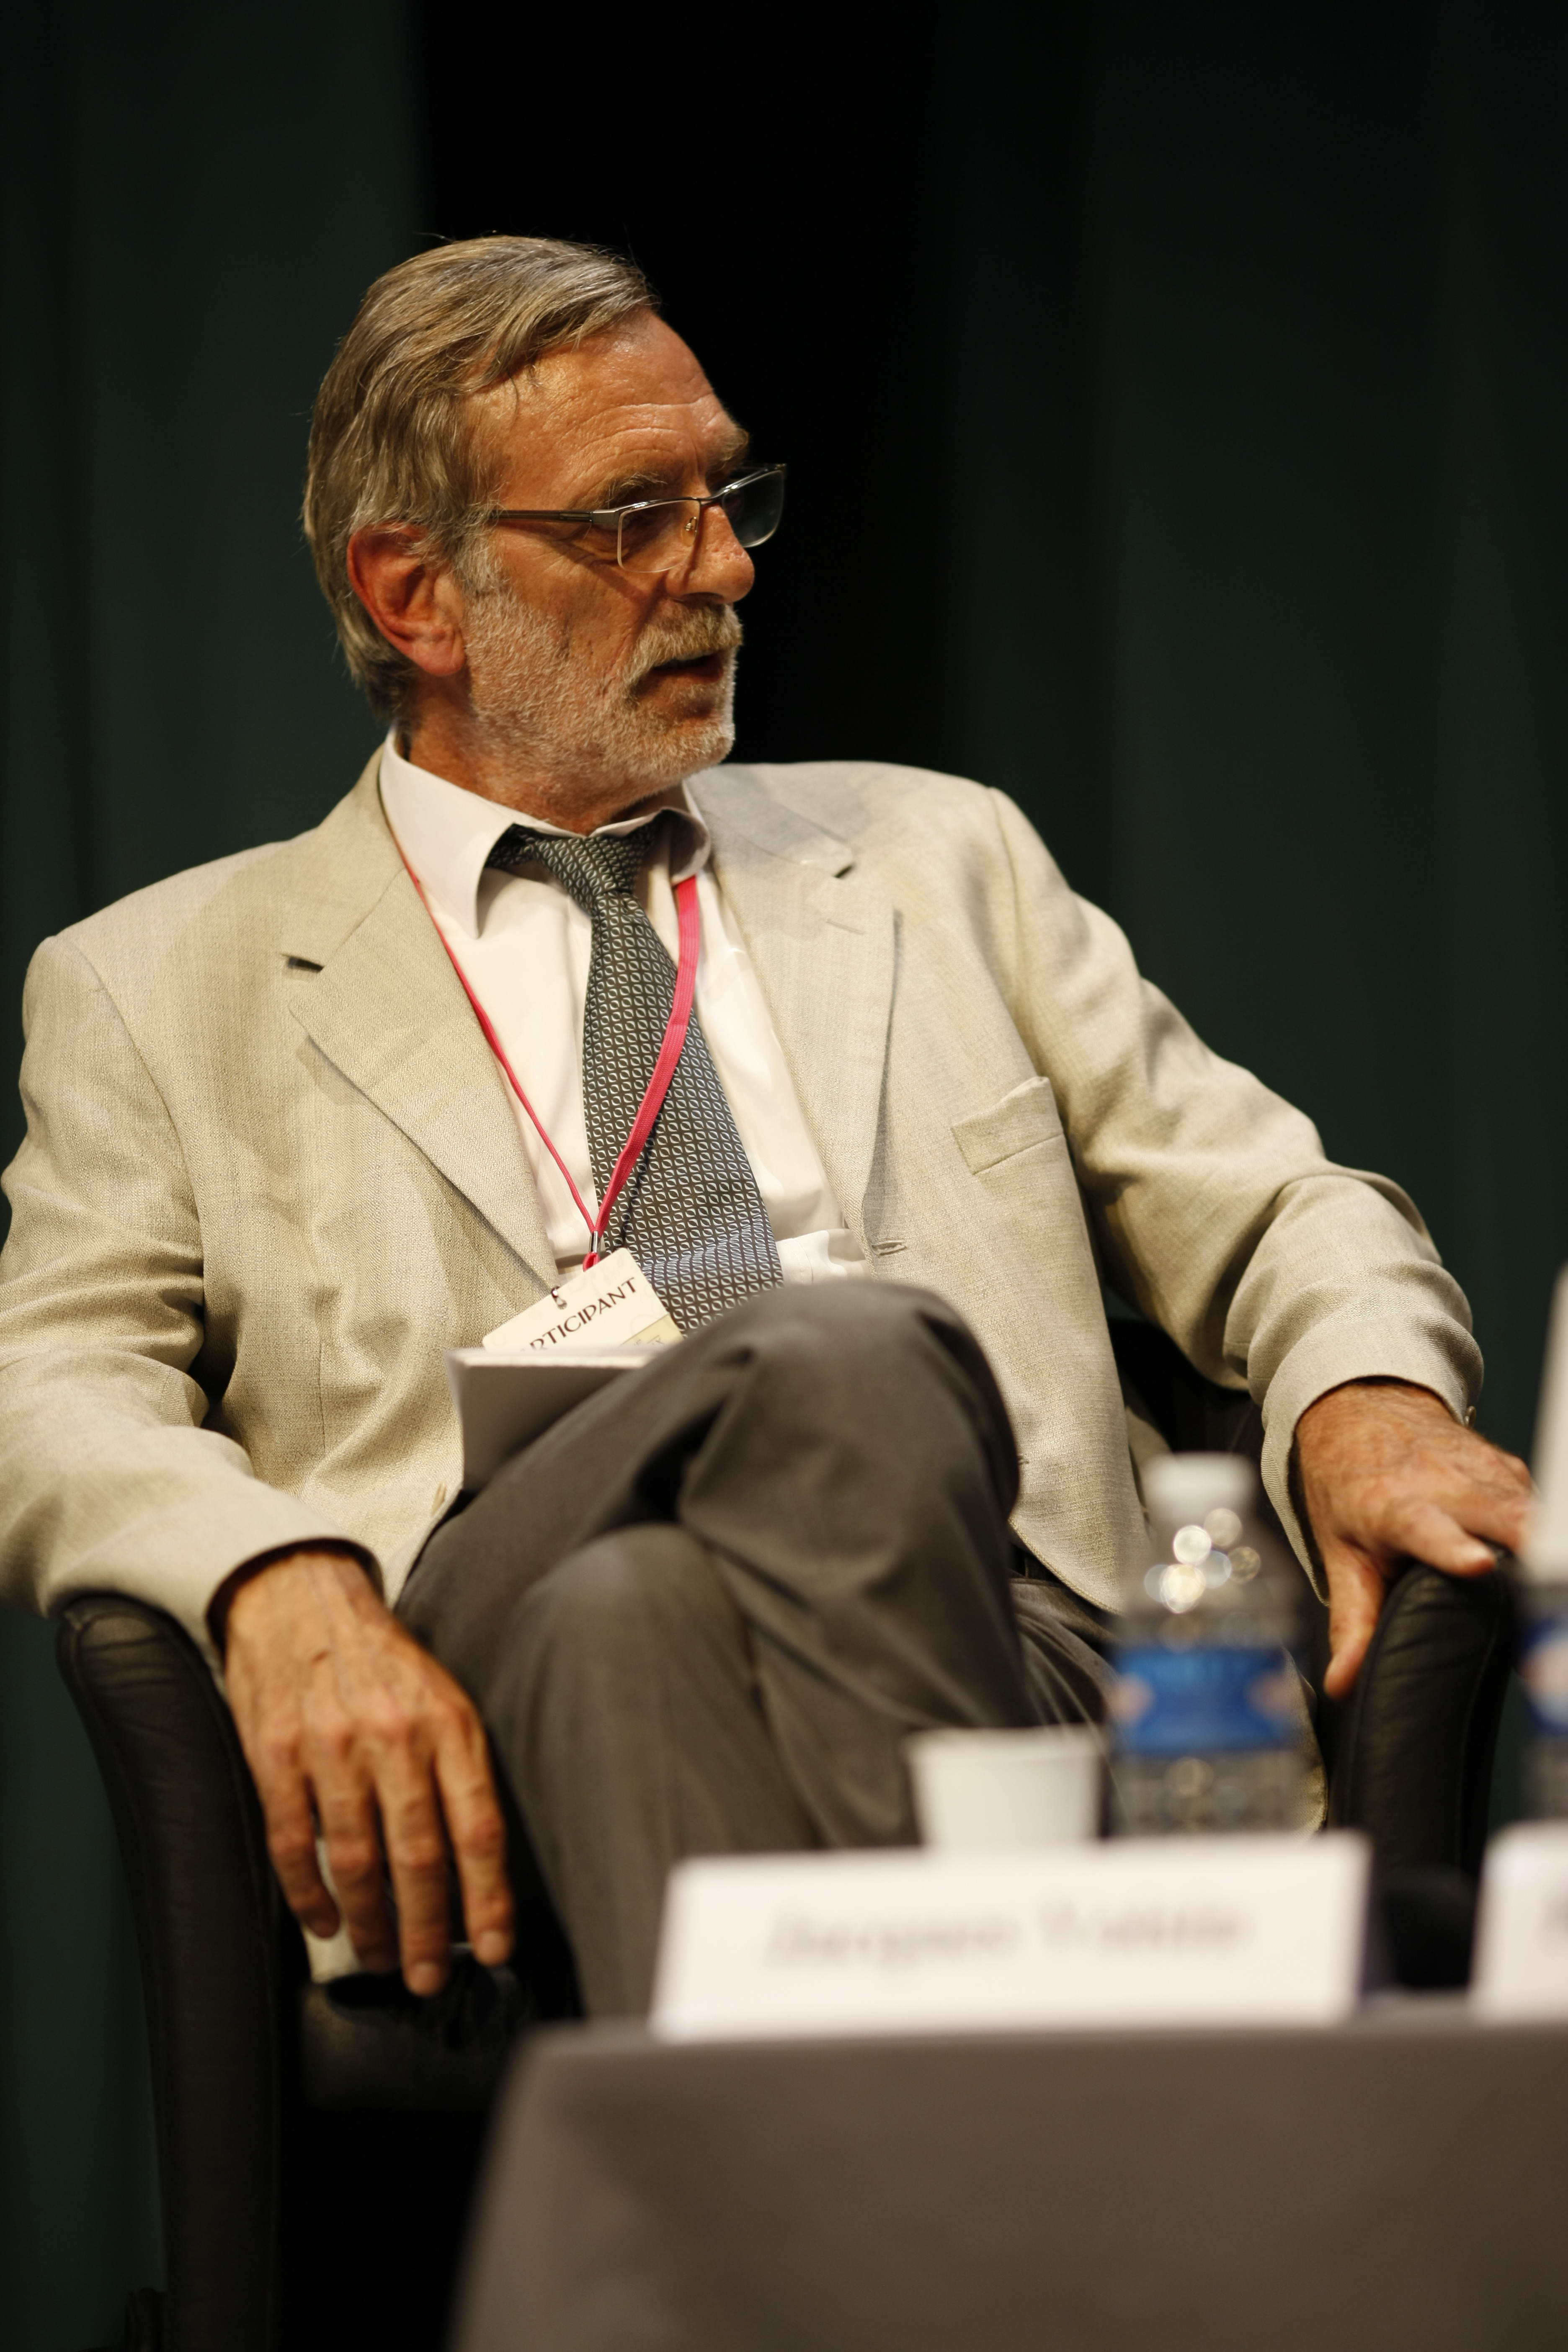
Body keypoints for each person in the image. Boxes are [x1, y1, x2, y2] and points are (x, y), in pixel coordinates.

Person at [0, 236, 1532, 2015]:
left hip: (1006, 1633)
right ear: (415, 594)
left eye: (727, 497)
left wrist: (1369, 1403)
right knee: (842, 1350)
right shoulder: (160, 983)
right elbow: (50, 1383)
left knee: (636, 1622)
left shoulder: (942, 857)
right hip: (474, 1653)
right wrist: (273, 1579)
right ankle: (1041, 2072)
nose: (723, 567)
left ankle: (828, 2179)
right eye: (631, 519)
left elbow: (1278, 1203)